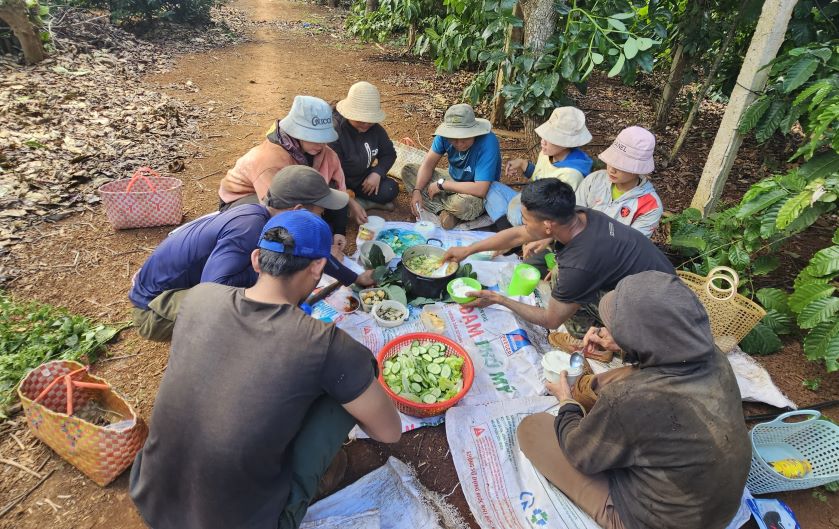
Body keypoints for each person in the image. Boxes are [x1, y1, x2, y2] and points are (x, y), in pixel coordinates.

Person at [129, 210, 402, 529]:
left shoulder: (201, 297)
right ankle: (320, 477)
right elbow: (390, 432)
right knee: (349, 382)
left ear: (257, 259)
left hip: (150, 495)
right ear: (317, 267)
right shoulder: (328, 345)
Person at [516, 271, 751, 529]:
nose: (605, 329)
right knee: (621, 381)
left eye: (617, 327)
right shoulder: (714, 357)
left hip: (658, 521)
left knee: (533, 428)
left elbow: (579, 454)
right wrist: (621, 342)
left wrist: (567, 403)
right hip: (717, 506)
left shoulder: (631, 398)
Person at [130, 166, 375, 341]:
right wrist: (268, 278)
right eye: (321, 211)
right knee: (260, 303)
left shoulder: (275, 219)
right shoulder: (250, 229)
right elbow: (213, 291)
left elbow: (317, 252)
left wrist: (354, 278)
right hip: (154, 309)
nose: (322, 216)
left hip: (187, 288)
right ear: (299, 209)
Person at [442, 178, 675, 335]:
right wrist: (468, 250)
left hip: (656, 317)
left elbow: (551, 320)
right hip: (660, 282)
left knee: (561, 290)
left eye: (526, 219)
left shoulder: (579, 264)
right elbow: (516, 236)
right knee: (560, 277)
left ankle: (595, 337)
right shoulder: (581, 215)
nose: (522, 224)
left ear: (547, 225)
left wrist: (498, 299)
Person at [218, 95, 368, 252]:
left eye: (324, 138)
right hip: (248, 198)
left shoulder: (325, 153)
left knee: (324, 224)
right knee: (261, 225)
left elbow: (337, 188)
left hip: (290, 199)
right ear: (297, 133)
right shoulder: (269, 161)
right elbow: (279, 212)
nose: (322, 144)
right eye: (315, 138)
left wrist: (339, 231)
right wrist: (318, 251)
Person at [402, 103, 514, 230]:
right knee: (409, 171)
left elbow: (481, 189)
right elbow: (428, 164)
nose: (459, 143)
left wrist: (442, 185)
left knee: (466, 205)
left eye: (464, 138)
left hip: (475, 190)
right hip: (452, 178)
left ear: (474, 132)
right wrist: (417, 191)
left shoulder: (488, 141)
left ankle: (447, 210)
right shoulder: (443, 137)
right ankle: (444, 213)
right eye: (453, 139)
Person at [505, 107, 593, 226]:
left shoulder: (571, 175)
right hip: (530, 200)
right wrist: (523, 164)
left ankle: (513, 231)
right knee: (493, 190)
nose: (542, 142)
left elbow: (555, 211)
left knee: (514, 213)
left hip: (541, 213)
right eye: (544, 136)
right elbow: (539, 176)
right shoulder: (547, 154)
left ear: (565, 143)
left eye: (549, 138)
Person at [575, 125, 662, 237]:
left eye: (621, 165)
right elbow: (573, 213)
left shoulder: (650, 206)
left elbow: (632, 244)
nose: (612, 169)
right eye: (611, 160)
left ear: (638, 169)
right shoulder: (595, 179)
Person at [330, 81, 399, 211]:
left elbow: (389, 154)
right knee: (333, 204)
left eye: (370, 121)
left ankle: (360, 202)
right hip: (337, 181)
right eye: (361, 119)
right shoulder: (335, 131)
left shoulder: (376, 130)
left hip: (362, 179)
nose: (366, 124)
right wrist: (344, 191)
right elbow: (330, 171)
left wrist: (377, 173)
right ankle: (354, 203)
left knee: (390, 189)